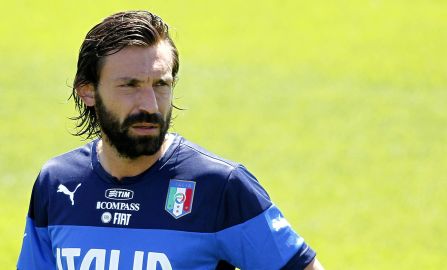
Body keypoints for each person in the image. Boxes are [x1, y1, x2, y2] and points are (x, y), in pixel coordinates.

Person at [17, 10, 324, 270]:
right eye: (130, 85)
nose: (150, 104)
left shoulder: (220, 187)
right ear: (88, 91)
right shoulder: (57, 183)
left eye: (161, 85)